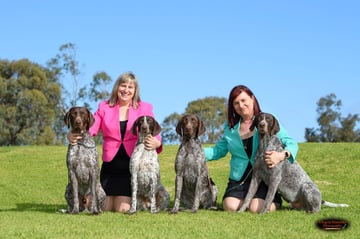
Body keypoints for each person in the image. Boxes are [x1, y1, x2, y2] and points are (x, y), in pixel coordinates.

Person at [68, 71, 162, 213]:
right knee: (103, 206)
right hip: (110, 166)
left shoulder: (145, 108)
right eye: (123, 85)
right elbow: (91, 128)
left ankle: (140, 201)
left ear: (135, 90)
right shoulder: (104, 107)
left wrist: (157, 142)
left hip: (131, 166)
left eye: (130, 87)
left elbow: (153, 128)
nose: (126, 90)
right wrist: (71, 133)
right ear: (117, 87)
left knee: (122, 208)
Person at [203, 85, 298, 213]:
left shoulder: (267, 121)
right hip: (239, 178)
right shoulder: (230, 127)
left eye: (243, 100)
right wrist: (198, 153)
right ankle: (248, 200)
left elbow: (290, 142)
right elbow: (219, 150)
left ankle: (274, 201)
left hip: (264, 177)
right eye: (236, 103)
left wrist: (281, 155)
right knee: (230, 206)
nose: (241, 105)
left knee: (255, 208)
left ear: (252, 99)